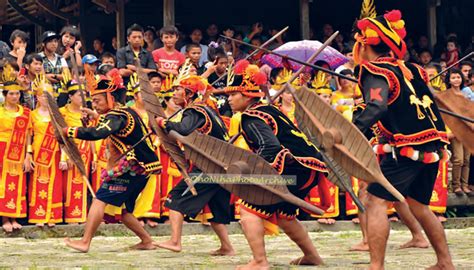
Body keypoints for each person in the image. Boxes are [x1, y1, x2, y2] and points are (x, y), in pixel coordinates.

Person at [352, 10, 454, 269]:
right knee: (419, 205)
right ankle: (445, 262)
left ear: (365, 45)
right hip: (433, 145)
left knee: (376, 201)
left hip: (406, 148)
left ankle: (376, 266)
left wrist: (352, 131)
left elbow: (376, 107)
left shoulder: (373, 71)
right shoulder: (415, 70)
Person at [227, 60, 329, 268]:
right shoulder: (268, 109)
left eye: (232, 94)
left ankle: (260, 261)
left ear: (246, 95)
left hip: (295, 169)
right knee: (286, 217)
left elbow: (270, 147)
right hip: (310, 167)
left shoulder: (251, 117)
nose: (229, 99)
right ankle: (312, 257)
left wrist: (253, 175)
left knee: (248, 208)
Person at [62, 74, 162, 253]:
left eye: (98, 100)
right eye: (92, 101)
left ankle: (85, 242)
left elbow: (98, 133)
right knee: (124, 212)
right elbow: (108, 125)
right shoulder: (124, 112)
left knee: (99, 200)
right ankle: (147, 241)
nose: (95, 104)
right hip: (142, 167)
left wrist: (68, 131)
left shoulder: (118, 115)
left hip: (132, 167)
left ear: (111, 98)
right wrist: (96, 116)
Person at [154, 75, 235, 256]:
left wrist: (163, 122)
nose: (175, 93)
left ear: (189, 93)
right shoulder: (208, 110)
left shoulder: (196, 111)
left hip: (210, 167)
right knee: (215, 211)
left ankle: (175, 241)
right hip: (223, 167)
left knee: (175, 199)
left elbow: (182, 129)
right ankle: (227, 247)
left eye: (179, 90)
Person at [28, 74, 63, 228]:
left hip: (54, 152)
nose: (45, 99)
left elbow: (63, 139)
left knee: (54, 184)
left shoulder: (57, 115)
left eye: (48, 96)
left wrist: (64, 157)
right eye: (42, 96)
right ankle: (39, 215)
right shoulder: (32, 114)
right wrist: (28, 153)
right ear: (37, 97)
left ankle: (52, 216)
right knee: (38, 184)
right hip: (38, 152)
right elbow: (28, 135)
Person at [0, 64, 32, 232]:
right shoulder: (0, 112)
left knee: (18, 184)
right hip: (3, 151)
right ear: (5, 95)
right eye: (11, 93)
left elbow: (28, 134)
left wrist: (28, 153)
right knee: (4, 184)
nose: (15, 96)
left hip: (19, 151)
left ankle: (15, 216)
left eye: (17, 93)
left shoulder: (25, 112)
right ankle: (5, 218)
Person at [59, 77, 95, 224]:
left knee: (82, 183)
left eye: (84, 95)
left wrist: (96, 157)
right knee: (70, 184)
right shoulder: (63, 112)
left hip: (86, 150)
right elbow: (60, 136)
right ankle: (71, 216)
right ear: (70, 97)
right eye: (79, 95)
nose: (82, 98)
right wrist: (64, 157)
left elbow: (92, 134)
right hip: (70, 150)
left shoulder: (87, 113)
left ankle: (82, 215)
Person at [445, 69, 472, 196]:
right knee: (458, 159)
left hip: (468, 129)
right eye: (453, 77)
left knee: (467, 159)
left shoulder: (466, 93)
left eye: (458, 77)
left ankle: (465, 185)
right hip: (455, 130)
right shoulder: (446, 95)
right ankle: (456, 186)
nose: (456, 79)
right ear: (449, 80)